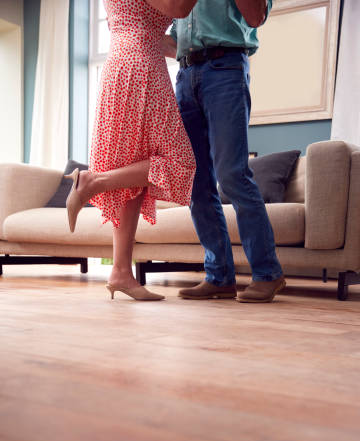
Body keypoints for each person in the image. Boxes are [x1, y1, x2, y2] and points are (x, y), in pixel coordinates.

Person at [66, 0, 197, 301]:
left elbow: (146, 30)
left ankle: (121, 273)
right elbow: (179, 7)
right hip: (140, 68)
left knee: (133, 172)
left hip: (127, 65)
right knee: (181, 162)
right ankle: (92, 182)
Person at [162, 0, 286, 303]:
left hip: (225, 69)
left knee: (232, 175)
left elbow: (256, 16)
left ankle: (267, 273)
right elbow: (175, 42)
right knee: (195, 182)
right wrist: (132, 33)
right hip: (185, 75)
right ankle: (218, 276)